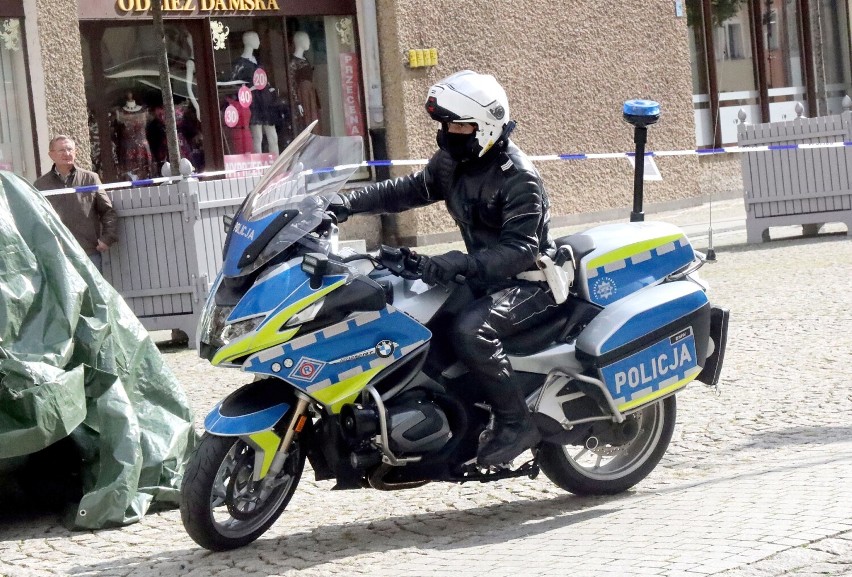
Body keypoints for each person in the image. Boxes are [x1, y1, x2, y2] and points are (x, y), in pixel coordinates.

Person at [332, 70, 557, 467]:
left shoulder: (519, 177)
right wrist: (347, 204)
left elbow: (521, 251)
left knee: (471, 331)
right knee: (410, 314)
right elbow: (409, 189)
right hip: (481, 275)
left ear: (487, 124)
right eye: (446, 124)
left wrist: (456, 263)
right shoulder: (455, 161)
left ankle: (516, 423)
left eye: (460, 124)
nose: (449, 132)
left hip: (528, 282)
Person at [33, 135, 118, 273]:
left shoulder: (90, 178)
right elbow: (36, 220)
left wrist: (107, 238)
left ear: (75, 152)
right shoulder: (41, 185)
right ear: (51, 155)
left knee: (92, 294)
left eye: (70, 149)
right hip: (57, 255)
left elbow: (108, 211)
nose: (67, 153)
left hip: (88, 253)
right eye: (61, 150)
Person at [231, 31, 279, 156]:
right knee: (257, 137)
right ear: (249, 41)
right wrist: (249, 88)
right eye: (256, 39)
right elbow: (234, 82)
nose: (259, 42)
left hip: (265, 100)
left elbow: (262, 79)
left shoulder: (256, 60)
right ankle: (260, 168)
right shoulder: (240, 63)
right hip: (253, 101)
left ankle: (278, 166)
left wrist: (269, 87)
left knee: (273, 137)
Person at [289, 31, 321, 133]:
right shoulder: (293, 62)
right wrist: (297, 101)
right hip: (303, 94)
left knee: (313, 118)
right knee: (306, 119)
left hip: (310, 92)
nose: (309, 42)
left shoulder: (305, 59)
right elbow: (291, 82)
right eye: (307, 40)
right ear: (300, 41)